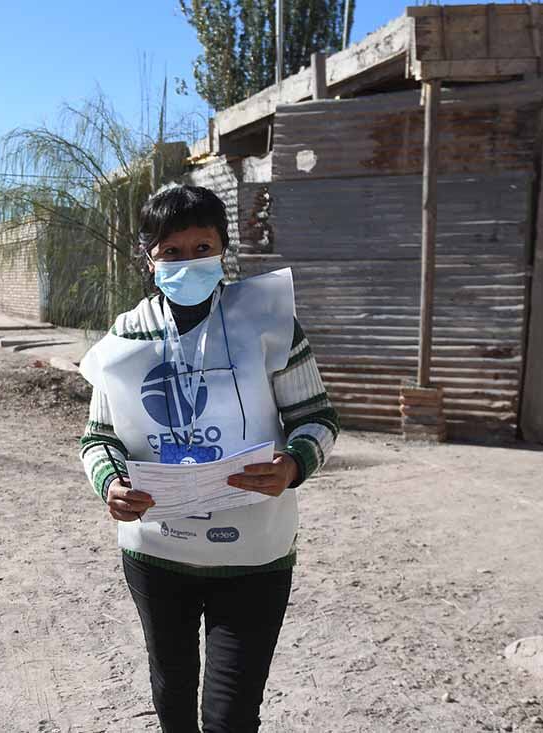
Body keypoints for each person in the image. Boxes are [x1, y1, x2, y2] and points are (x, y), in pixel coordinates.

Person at [78, 184, 339, 732]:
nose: (189, 261)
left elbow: (317, 417)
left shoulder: (268, 323)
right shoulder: (127, 336)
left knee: (232, 714)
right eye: (172, 251)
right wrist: (110, 485)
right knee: (172, 695)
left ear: (223, 250)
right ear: (150, 261)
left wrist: (292, 465)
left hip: (253, 558)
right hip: (157, 555)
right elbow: (98, 437)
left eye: (203, 247)